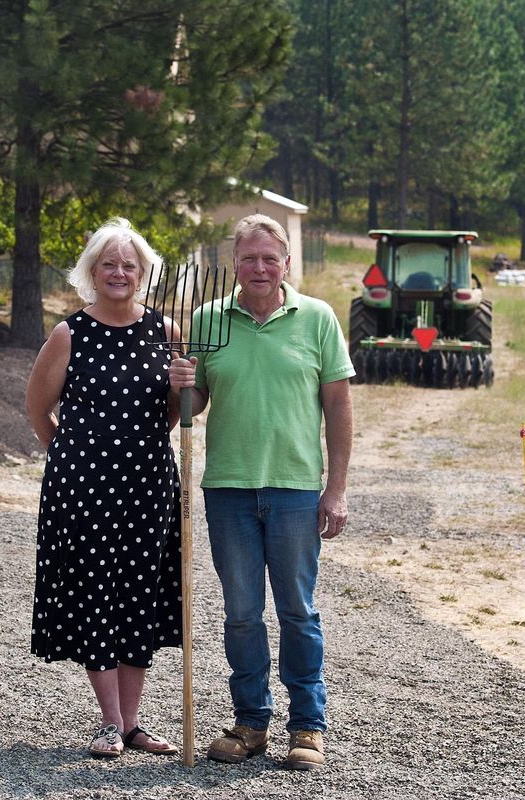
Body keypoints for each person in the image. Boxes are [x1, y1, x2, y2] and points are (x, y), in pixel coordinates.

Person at [169, 213, 353, 770]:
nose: (258, 267)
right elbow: (194, 406)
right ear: (234, 264)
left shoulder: (317, 319)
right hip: (228, 489)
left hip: (297, 489)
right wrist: (179, 387)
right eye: (248, 257)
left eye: (269, 257)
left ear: (286, 262)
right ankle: (250, 723)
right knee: (243, 613)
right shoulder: (207, 319)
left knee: (298, 611)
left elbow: (339, 407)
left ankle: (307, 726)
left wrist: (336, 488)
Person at [25, 217, 183, 759]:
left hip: (149, 487)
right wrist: (71, 459)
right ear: (92, 271)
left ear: (143, 273)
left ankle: (133, 723)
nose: (119, 273)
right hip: (84, 492)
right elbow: (37, 409)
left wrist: (190, 388)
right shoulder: (70, 333)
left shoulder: (165, 332)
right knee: (95, 596)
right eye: (109, 264)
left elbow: (178, 412)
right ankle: (109, 722)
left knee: (140, 597)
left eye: (129, 265)